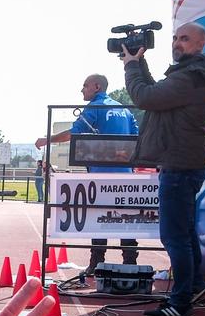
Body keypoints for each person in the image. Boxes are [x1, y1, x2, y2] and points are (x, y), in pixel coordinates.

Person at [120, 22, 205, 316]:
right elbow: (156, 93)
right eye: (176, 38)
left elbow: (145, 98)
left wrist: (130, 68)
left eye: (185, 39)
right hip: (185, 162)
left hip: (180, 165)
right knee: (185, 232)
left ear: (200, 44)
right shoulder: (193, 74)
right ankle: (193, 286)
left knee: (174, 236)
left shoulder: (191, 77)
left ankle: (180, 304)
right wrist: (139, 62)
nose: (177, 43)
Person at [36, 74, 140, 284]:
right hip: (126, 177)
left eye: (85, 86)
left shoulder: (95, 107)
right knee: (127, 220)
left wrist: (48, 140)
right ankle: (130, 262)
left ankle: (97, 261)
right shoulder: (125, 109)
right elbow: (137, 137)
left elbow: (74, 134)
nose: (81, 90)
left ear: (96, 86)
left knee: (99, 220)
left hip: (101, 175)